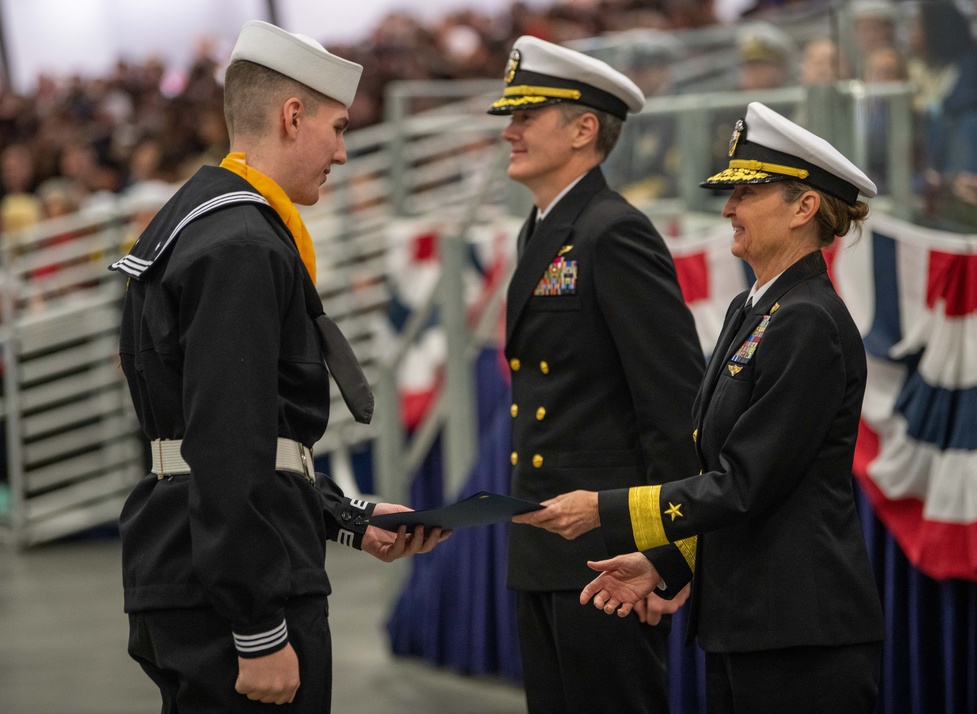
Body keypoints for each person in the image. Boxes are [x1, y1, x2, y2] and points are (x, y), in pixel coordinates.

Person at [110, 20, 447, 711]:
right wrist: (257, 627)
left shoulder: (201, 223)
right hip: (237, 587)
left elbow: (233, 438)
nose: (343, 153)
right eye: (340, 128)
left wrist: (346, 515)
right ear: (294, 117)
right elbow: (226, 442)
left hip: (195, 559)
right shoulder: (242, 245)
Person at [514, 101, 886, 713]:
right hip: (750, 623)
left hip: (802, 632)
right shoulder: (754, 310)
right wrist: (664, 562)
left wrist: (603, 507)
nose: (728, 209)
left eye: (747, 192)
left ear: (804, 206)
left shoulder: (808, 320)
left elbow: (744, 484)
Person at [487, 35, 705, 713]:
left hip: (609, 556)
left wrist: (666, 555)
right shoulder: (544, 228)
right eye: (511, 116)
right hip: (546, 543)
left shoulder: (614, 231)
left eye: (528, 115)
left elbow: (673, 405)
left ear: (584, 129)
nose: (511, 131)